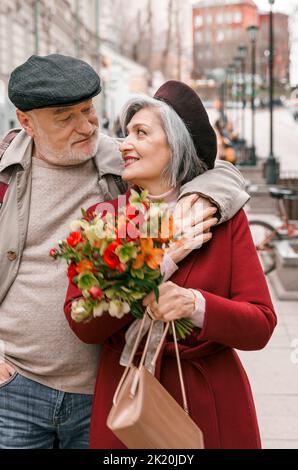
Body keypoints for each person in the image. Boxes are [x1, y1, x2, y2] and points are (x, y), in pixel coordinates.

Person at [0, 54, 248, 449]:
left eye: (88, 110)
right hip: (14, 387)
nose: (85, 127)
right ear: (27, 122)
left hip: (100, 388)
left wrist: (206, 197)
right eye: (65, 117)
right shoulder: (4, 173)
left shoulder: (121, 158)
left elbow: (203, 161)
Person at [64, 80, 277, 449]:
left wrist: (196, 305)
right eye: (125, 134)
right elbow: (82, 323)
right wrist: (155, 267)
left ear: (176, 145)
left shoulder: (223, 220)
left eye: (140, 133)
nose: (124, 144)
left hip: (211, 404)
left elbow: (260, 324)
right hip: (127, 404)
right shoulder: (105, 219)